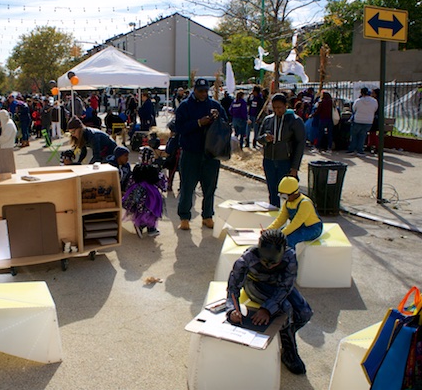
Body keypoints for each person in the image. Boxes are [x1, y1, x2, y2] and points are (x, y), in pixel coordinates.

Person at [226, 229, 313, 374]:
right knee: (285, 310)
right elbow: (233, 288)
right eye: (265, 262)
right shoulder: (246, 259)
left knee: (305, 313)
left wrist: (267, 308)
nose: (269, 266)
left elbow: (286, 285)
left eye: (274, 263)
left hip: (279, 286)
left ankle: (285, 334)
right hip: (255, 284)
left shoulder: (290, 256)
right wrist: (231, 310)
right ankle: (290, 351)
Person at [175, 78, 228, 230]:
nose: (204, 94)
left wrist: (218, 119)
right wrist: (198, 123)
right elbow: (179, 127)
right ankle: (184, 217)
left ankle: (207, 216)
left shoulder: (214, 105)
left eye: (206, 91)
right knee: (187, 186)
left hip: (211, 154)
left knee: (210, 187)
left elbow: (225, 124)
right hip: (191, 153)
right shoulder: (185, 106)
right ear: (194, 90)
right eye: (201, 91)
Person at [257, 93, 306, 207]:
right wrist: (265, 138)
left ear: (286, 106)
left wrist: (295, 167)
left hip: (285, 161)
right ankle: (275, 216)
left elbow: (300, 144)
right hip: (269, 160)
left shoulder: (295, 121)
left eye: (279, 107)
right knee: (272, 190)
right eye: (274, 107)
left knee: (288, 193)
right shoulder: (268, 120)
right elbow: (259, 138)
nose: (276, 110)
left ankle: (290, 217)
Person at [266, 176, 322, 249]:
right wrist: (269, 230)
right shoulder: (287, 202)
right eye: (281, 195)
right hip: (298, 227)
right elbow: (281, 219)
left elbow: (296, 223)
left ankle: (290, 259)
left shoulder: (305, 203)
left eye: (285, 196)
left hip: (312, 228)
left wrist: (281, 234)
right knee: (274, 235)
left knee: (289, 240)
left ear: (294, 193)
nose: (284, 199)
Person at [122, 147, 167, 238]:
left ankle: (140, 226)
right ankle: (151, 229)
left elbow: (131, 180)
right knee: (151, 210)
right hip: (151, 193)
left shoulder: (137, 168)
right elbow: (159, 181)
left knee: (139, 209)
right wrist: (163, 187)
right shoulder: (154, 169)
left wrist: (128, 191)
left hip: (136, 191)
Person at [347, 87, 378, 156]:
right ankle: (360, 150)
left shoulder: (358, 101)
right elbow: (375, 109)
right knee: (363, 136)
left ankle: (351, 149)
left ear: (361, 93)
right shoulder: (374, 101)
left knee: (354, 135)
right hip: (368, 121)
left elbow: (354, 109)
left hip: (357, 119)